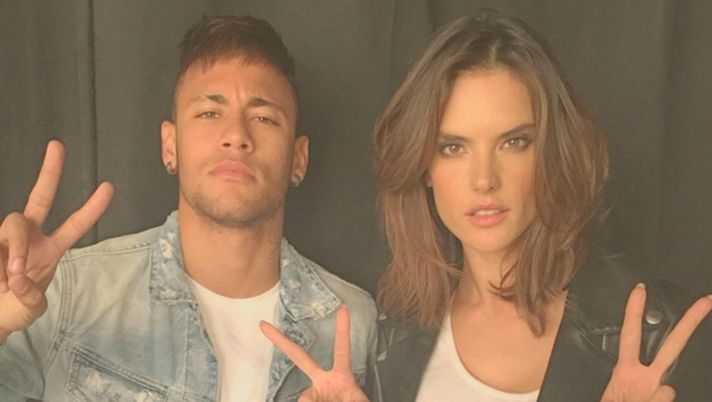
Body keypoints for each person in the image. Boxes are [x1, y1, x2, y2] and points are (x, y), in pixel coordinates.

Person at [261, 9, 711, 402]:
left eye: (513, 142)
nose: (483, 179)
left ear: (552, 152)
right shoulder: (394, 340)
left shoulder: (657, 333)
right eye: (453, 147)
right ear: (423, 167)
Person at [0, 15, 376, 402]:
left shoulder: (350, 325)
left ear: (299, 159)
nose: (236, 135)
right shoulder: (67, 292)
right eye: (209, 113)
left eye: (264, 118)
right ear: (170, 145)